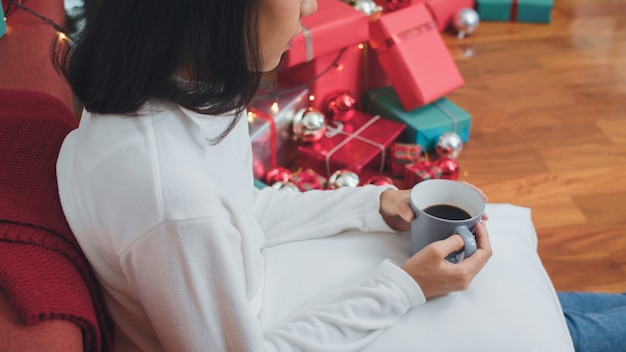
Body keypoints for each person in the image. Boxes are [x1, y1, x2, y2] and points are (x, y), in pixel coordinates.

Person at [52, 0, 625, 351]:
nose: (308, 11)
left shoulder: (164, 99)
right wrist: (405, 288)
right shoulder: (172, 199)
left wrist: (370, 204)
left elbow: (242, 213)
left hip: (272, 292)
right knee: (550, 325)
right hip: (277, 323)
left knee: (521, 290)